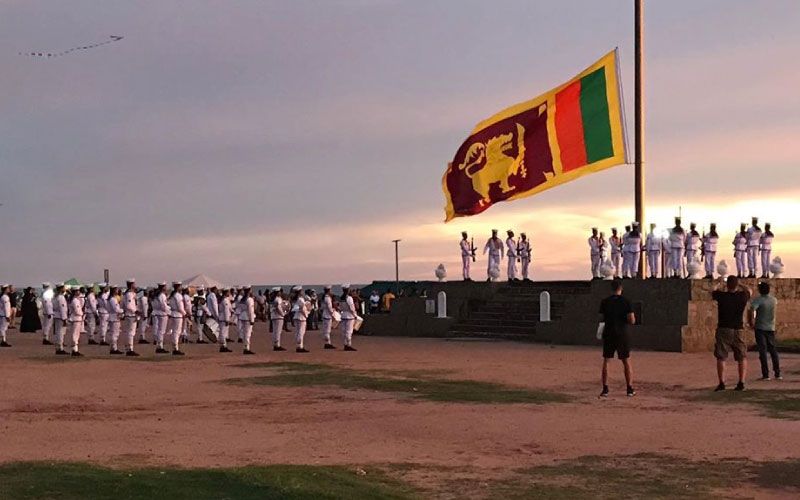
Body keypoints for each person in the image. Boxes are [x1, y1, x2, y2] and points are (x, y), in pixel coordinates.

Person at [711, 276, 751, 391]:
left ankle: (722, 383)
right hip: (738, 328)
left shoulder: (722, 296)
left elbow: (713, 290)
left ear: (727, 285)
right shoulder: (742, 296)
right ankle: (741, 382)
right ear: (736, 285)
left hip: (724, 328)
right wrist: (741, 284)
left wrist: (719, 282)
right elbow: (749, 290)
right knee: (741, 356)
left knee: (721, 356)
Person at [598, 280, 636, 397]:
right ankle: (629, 388)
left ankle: (605, 388)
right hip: (622, 333)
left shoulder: (605, 302)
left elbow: (602, 317)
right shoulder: (626, 302)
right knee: (626, 361)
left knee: (607, 361)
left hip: (609, 332)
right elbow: (631, 319)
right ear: (621, 289)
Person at [749, 282, 781, 381]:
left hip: (760, 327)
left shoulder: (759, 300)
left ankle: (766, 374)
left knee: (763, 351)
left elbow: (751, 309)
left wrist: (751, 321)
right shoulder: (773, 300)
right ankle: (777, 373)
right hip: (771, 327)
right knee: (773, 350)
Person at [167, 282, 186, 356]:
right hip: (178, 314)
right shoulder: (178, 295)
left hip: (173, 314)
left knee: (175, 331)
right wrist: (185, 313)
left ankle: (175, 347)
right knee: (176, 332)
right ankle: (175, 348)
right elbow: (180, 307)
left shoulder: (172, 295)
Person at [122, 279, 140, 356]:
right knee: (130, 333)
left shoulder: (131, 293)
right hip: (130, 315)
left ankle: (129, 348)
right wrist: (135, 311)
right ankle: (129, 349)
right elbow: (129, 306)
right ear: (131, 284)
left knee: (131, 332)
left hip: (131, 315)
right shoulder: (129, 294)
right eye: (134, 283)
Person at [291, 286, 310, 353]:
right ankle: (300, 346)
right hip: (301, 317)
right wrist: (306, 315)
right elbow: (302, 309)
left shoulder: (295, 299)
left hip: (296, 316)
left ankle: (299, 345)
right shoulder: (300, 299)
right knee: (301, 332)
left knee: (297, 331)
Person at [339, 284, 358, 351]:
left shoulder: (341, 298)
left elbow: (340, 308)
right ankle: (349, 344)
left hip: (343, 315)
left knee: (344, 331)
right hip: (349, 315)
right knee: (349, 331)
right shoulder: (349, 298)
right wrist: (355, 315)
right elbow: (352, 308)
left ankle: (345, 344)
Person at [153, 282, 170, 353]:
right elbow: (164, 306)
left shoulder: (157, 295)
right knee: (161, 331)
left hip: (158, 313)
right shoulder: (162, 295)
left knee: (160, 330)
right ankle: (160, 346)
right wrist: (169, 311)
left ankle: (160, 345)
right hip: (162, 314)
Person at [106, 286, 124, 355]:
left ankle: (113, 347)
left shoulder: (111, 299)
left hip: (112, 317)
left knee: (113, 333)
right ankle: (114, 348)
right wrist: (122, 311)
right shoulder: (113, 299)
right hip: (114, 317)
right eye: (116, 290)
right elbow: (116, 309)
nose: (118, 291)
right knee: (115, 334)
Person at [67, 288, 84, 356]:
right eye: (78, 291)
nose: (79, 292)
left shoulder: (76, 300)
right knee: (75, 334)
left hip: (76, 318)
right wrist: (82, 314)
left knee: (76, 334)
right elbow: (77, 311)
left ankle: (75, 349)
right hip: (76, 318)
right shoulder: (75, 300)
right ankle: (74, 349)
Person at [53, 284, 69, 355]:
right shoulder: (61, 298)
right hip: (60, 316)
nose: (65, 289)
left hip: (56, 316)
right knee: (60, 333)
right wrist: (64, 319)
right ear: (61, 289)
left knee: (58, 332)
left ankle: (58, 347)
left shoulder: (55, 297)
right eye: (64, 288)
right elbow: (62, 309)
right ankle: (60, 348)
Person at [239, 286, 256, 355]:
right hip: (247, 317)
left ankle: (245, 347)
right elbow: (250, 310)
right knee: (248, 334)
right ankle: (246, 348)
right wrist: (252, 319)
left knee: (245, 333)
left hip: (243, 316)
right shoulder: (249, 299)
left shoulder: (242, 299)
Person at [218, 288, 233, 353]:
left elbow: (229, 308)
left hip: (222, 317)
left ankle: (223, 345)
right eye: (228, 292)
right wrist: (227, 319)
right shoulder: (225, 300)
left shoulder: (224, 299)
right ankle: (223, 346)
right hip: (224, 318)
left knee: (223, 333)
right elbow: (226, 310)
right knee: (223, 333)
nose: (229, 293)